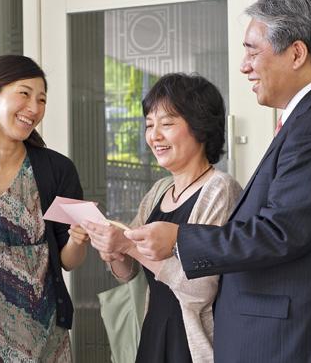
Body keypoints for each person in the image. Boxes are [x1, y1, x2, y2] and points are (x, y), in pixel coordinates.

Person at [125, 0, 311, 362]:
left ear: (296, 54)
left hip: (302, 339)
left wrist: (180, 239)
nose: (244, 66)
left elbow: (280, 232)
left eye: (252, 51)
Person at [83, 73, 241, 362]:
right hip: (155, 332)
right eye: (149, 125)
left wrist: (128, 245)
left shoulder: (220, 189)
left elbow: (200, 290)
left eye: (166, 124)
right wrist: (112, 248)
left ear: (201, 127)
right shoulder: (159, 190)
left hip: (193, 342)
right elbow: (128, 273)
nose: (154, 136)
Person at [0, 55, 88, 362]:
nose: (35, 108)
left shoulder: (56, 170)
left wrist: (78, 239)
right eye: (24, 94)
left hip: (42, 332)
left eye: (41, 99)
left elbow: (68, 260)